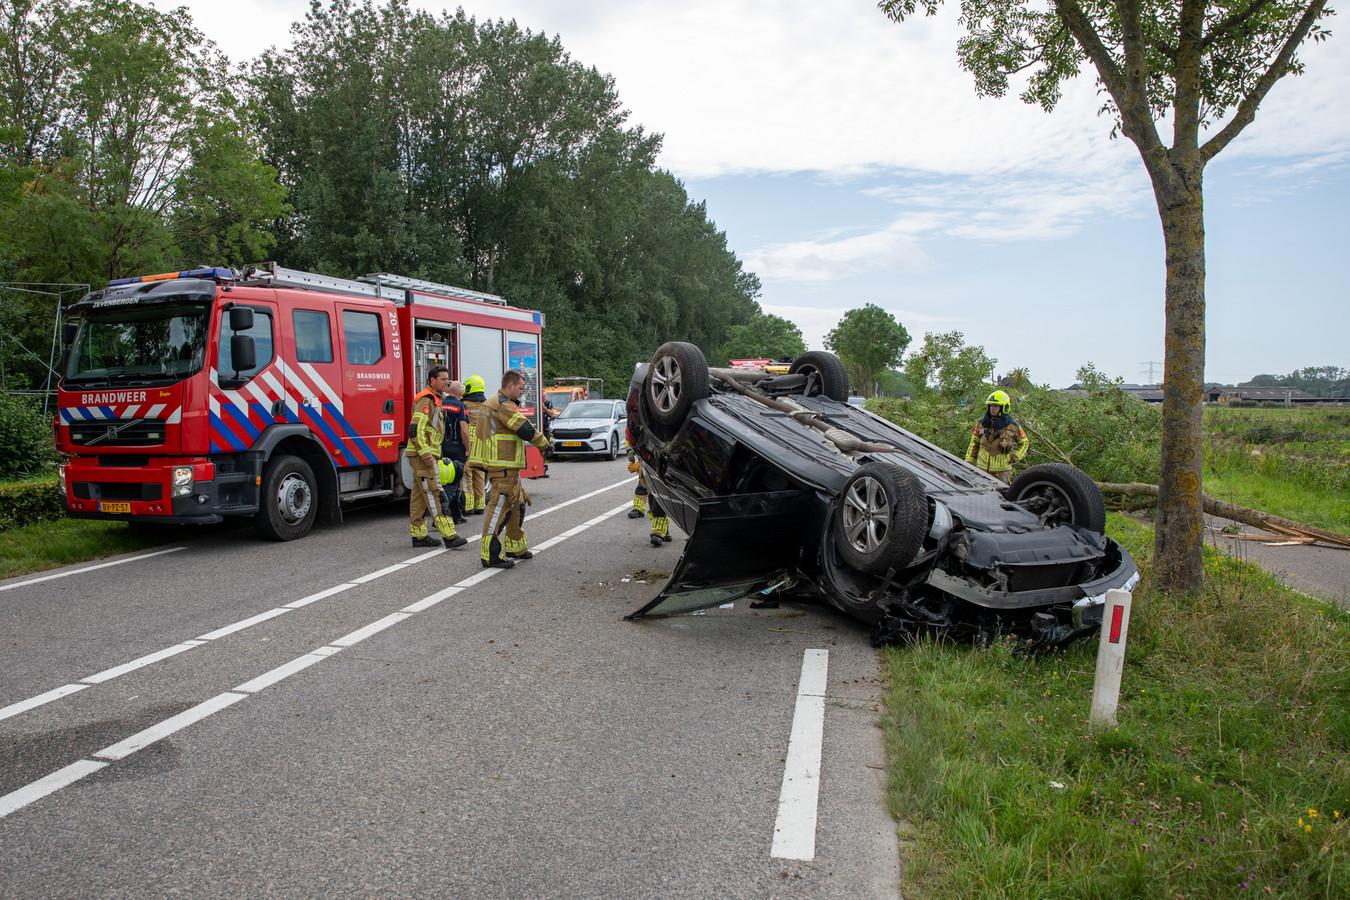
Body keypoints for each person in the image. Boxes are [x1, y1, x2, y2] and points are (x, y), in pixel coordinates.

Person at [474, 369, 552, 569]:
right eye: (519, 388)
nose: (521, 392)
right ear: (509, 386)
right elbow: (524, 428)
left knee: (516, 505)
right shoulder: (502, 405)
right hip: (503, 465)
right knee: (499, 508)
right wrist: (545, 444)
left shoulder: (494, 403)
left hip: (506, 465)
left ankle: (515, 546)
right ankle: (490, 554)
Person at [406, 366, 468, 549]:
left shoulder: (435, 400)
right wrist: (425, 453)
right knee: (435, 492)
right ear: (432, 380)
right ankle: (449, 535)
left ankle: (419, 536)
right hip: (423, 454)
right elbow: (415, 429)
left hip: (423, 453)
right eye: (442, 379)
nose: (446, 382)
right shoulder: (426, 400)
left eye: (447, 379)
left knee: (418, 496)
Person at [965, 389, 1029, 484]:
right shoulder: (981, 423)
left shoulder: (1013, 426)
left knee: (1002, 496)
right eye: (991, 406)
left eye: (996, 406)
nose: (992, 408)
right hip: (981, 471)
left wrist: (1014, 457)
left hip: (1002, 473)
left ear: (1004, 407)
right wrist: (968, 463)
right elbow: (974, 443)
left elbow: (1025, 444)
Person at [439, 380, 471, 524]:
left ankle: (456, 515)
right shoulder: (460, 406)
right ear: (460, 393)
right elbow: (464, 430)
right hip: (456, 447)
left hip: (442, 447)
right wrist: (467, 448)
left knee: (445, 480)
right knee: (455, 481)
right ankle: (443, 512)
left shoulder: (440, 403)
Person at [462, 374, 489, 515]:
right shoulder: (486, 405)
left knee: (467, 474)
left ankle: (467, 506)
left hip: (469, 443)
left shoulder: (465, 405)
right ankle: (480, 506)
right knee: (479, 474)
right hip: (482, 444)